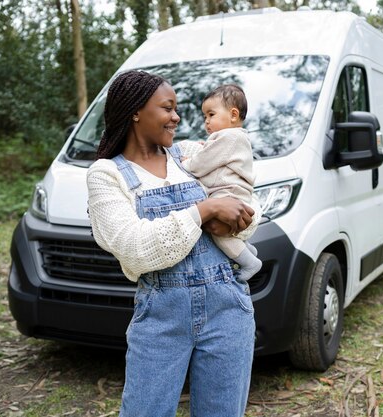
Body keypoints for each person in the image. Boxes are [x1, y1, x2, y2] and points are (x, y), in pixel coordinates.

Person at [86, 70, 259, 417]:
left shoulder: (189, 155)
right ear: (136, 111)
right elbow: (136, 247)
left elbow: (240, 198)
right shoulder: (107, 175)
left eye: (176, 108)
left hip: (228, 309)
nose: (177, 117)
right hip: (161, 317)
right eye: (167, 107)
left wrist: (239, 221)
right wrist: (205, 209)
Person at [181, 84, 262, 281]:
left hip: (229, 194)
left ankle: (251, 263)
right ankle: (248, 250)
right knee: (226, 235)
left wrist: (187, 163)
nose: (206, 122)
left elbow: (203, 163)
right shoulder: (232, 138)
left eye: (211, 114)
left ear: (233, 115)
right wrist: (207, 146)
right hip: (233, 192)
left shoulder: (229, 137)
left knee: (220, 234)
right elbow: (215, 155)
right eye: (204, 117)